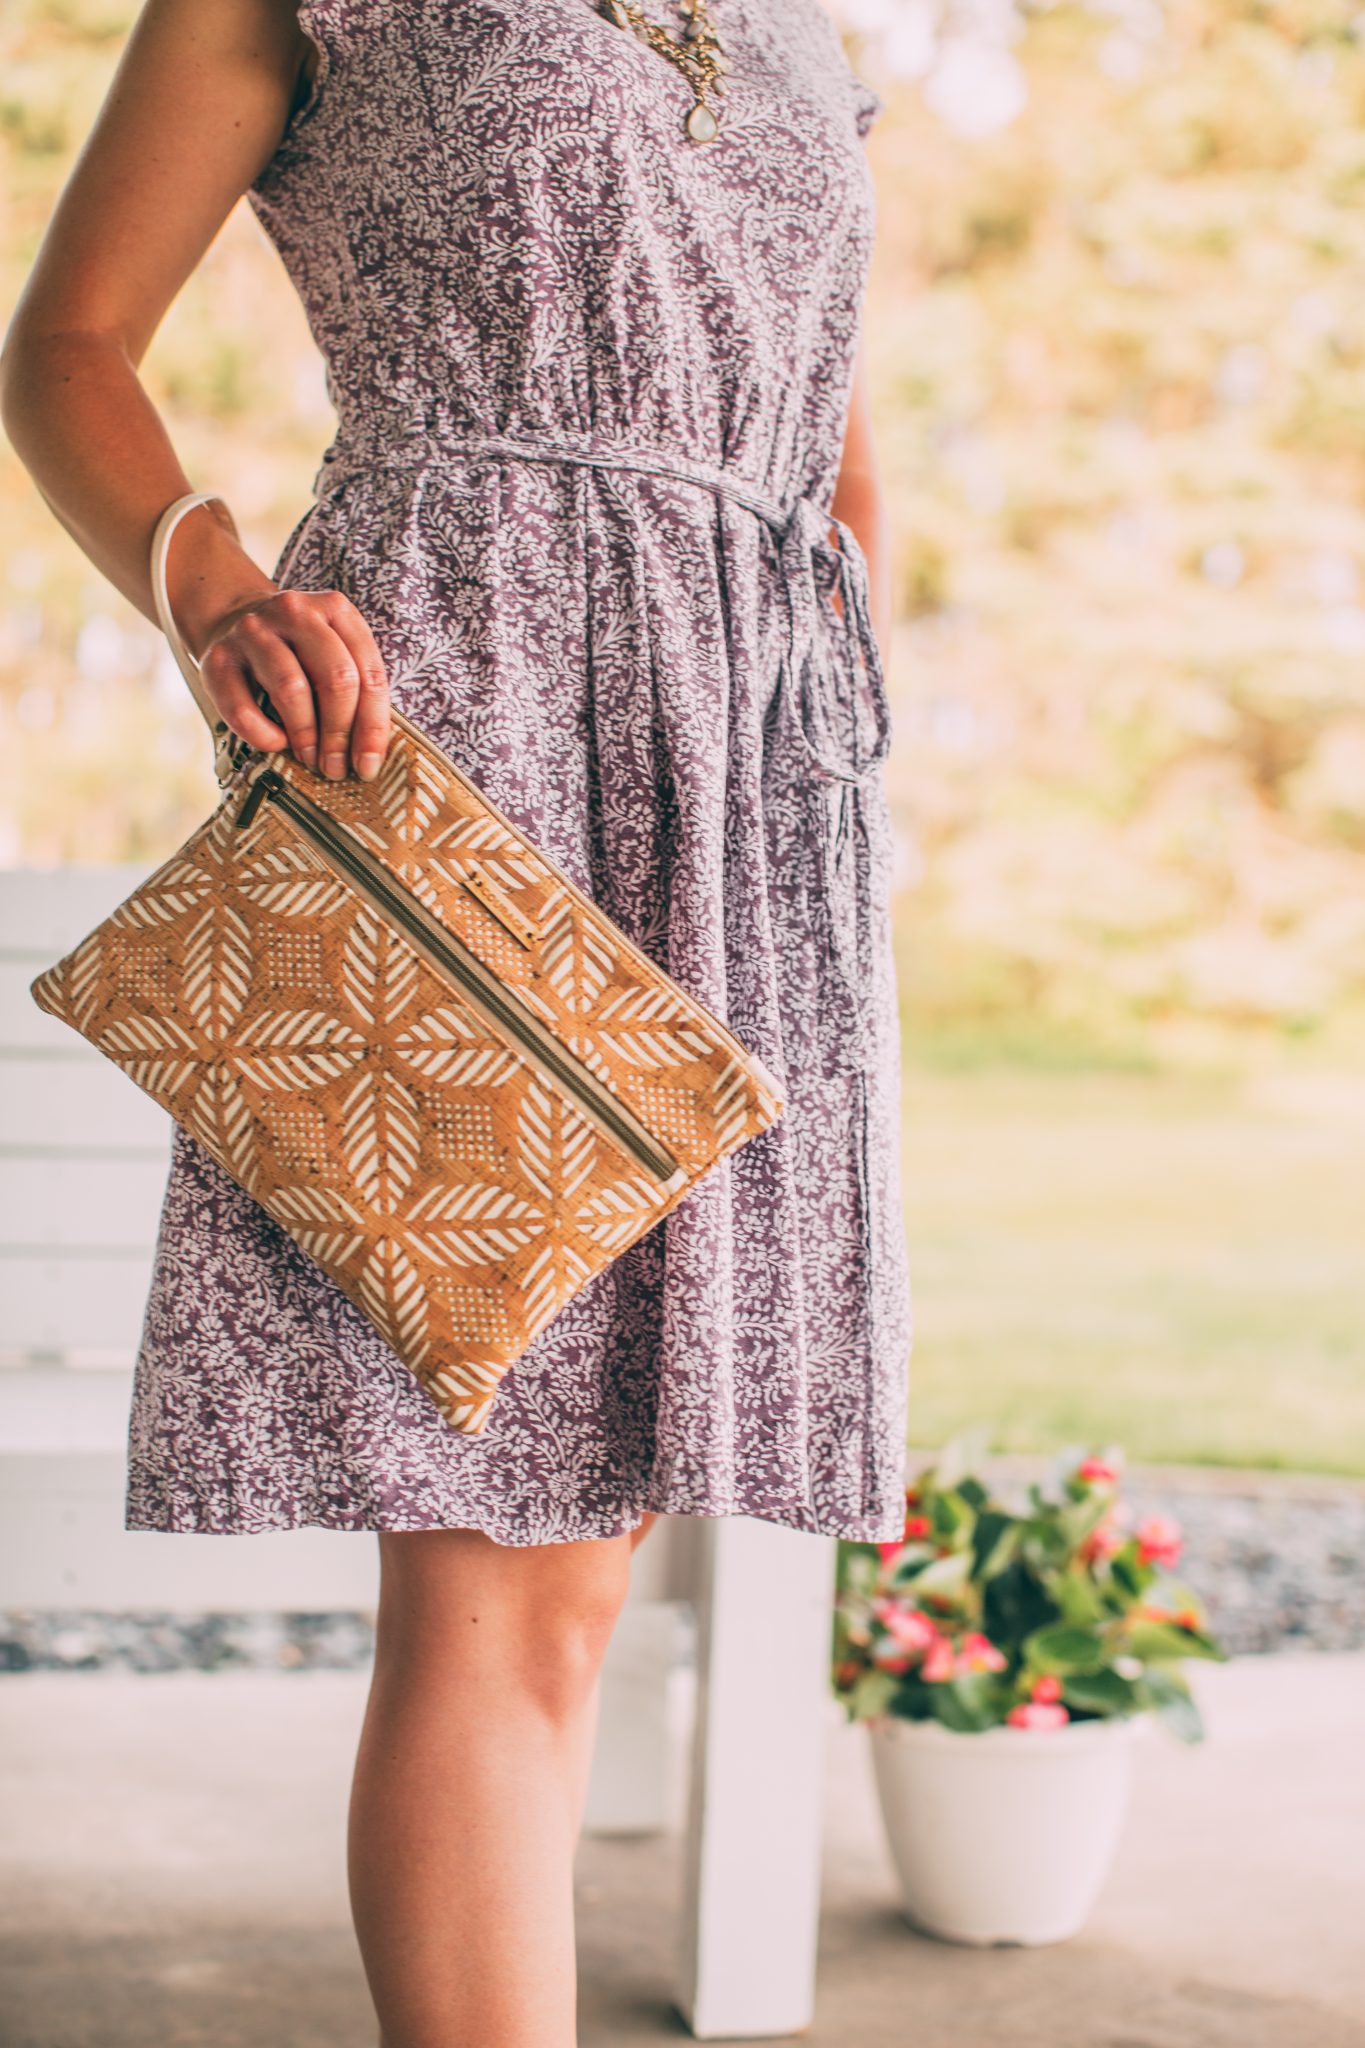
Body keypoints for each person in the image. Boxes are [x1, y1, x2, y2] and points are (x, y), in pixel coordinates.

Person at [0, 1, 912, 2040]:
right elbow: (64, 345)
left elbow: (832, 424)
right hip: (465, 728)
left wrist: (842, 794)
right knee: (498, 1573)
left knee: (579, 1580)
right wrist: (206, 581)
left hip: (749, 781)